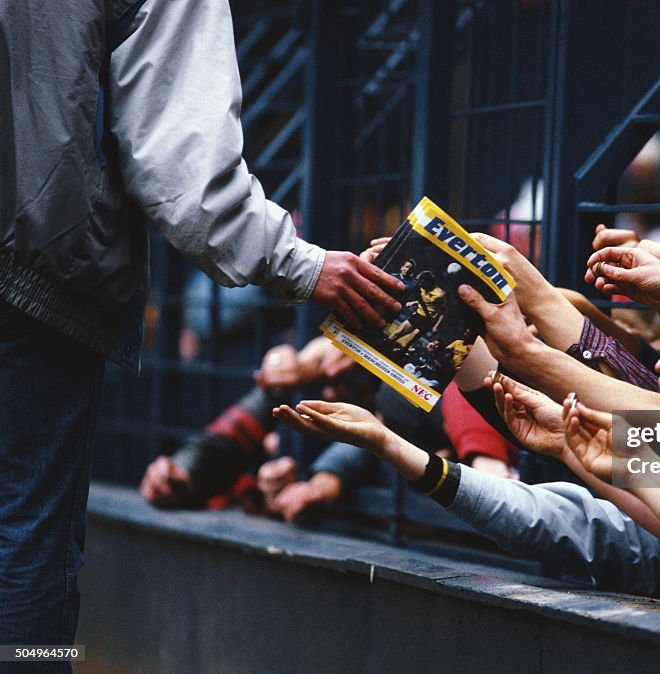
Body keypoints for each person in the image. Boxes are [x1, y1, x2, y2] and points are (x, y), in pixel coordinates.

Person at [0, 0, 404, 658]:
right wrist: (296, 265)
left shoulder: (630, 427)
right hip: (35, 266)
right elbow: (179, 160)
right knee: (23, 543)